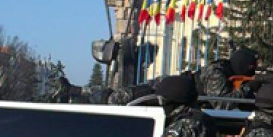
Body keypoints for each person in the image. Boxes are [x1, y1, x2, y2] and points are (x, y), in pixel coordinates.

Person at [108, 47, 259, 108]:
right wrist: (248, 88)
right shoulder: (217, 72)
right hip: (168, 91)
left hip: (173, 92)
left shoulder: (224, 70)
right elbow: (222, 103)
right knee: (122, 99)